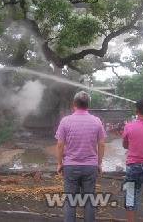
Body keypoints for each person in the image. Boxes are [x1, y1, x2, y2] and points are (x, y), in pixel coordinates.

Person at [55, 91, 106, 222]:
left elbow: (60, 145)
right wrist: (99, 164)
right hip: (90, 167)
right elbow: (101, 144)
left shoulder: (65, 121)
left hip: (70, 167)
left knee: (70, 201)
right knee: (89, 201)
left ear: (74, 104)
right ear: (88, 105)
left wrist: (60, 163)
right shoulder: (96, 121)